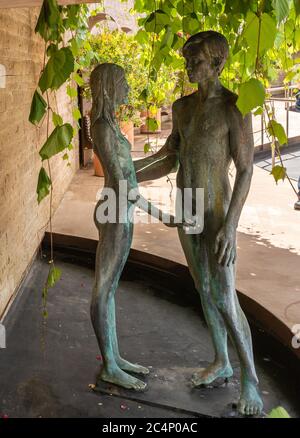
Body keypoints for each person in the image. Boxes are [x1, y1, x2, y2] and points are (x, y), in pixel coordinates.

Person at [134, 31, 263, 416]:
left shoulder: (234, 107)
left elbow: (244, 170)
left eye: (197, 61)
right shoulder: (183, 107)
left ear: (218, 63)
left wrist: (231, 226)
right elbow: (169, 157)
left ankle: (251, 383)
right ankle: (222, 360)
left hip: (218, 210)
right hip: (187, 207)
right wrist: (128, 172)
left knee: (225, 296)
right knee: (204, 288)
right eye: (187, 61)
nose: (189, 67)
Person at [90, 63, 190, 391]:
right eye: (122, 84)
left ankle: (115, 358)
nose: (128, 90)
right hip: (115, 211)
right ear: (107, 87)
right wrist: (163, 215)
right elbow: (122, 184)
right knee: (104, 287)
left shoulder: (110, 125)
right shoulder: (103, 128)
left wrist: (163, 159)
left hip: (119, 209)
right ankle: (109, 365)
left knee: (110, 287)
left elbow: (128, 171)